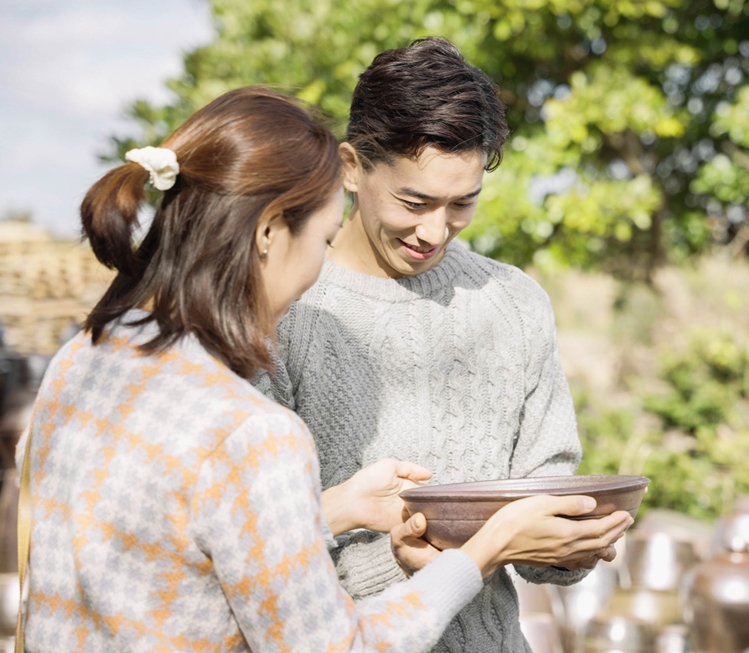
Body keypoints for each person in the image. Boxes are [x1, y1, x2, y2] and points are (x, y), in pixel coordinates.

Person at [19, 86, 632, 651]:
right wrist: (485, 547)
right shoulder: (251, 430)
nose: (319, 266)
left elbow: (175, 540)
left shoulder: (86, 356)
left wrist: (336, 508)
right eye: (322, 238)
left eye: (462, 203)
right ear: (268, 232)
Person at [254, 36, 618, 653]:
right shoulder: (286, 307)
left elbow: (545, 511)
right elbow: (252, 544)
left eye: (462, 204)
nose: (433, 231)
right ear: (350, 166)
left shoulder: (514, 302)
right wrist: (399, 564)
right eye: (413, 201)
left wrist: (573, 542)